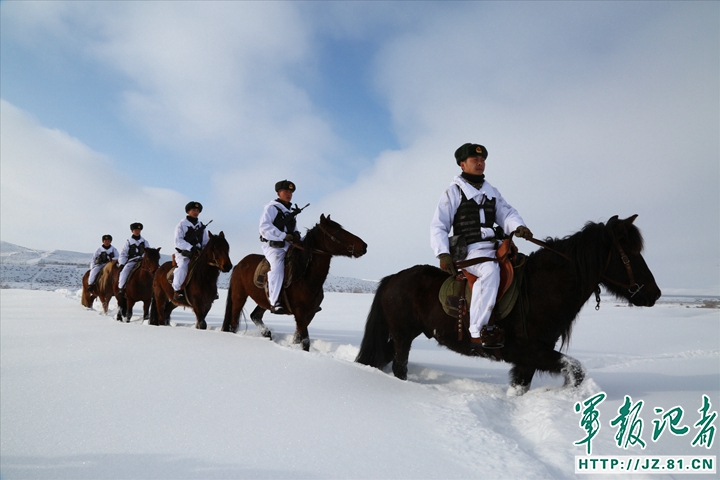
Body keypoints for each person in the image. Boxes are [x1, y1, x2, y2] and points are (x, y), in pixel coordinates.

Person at [430, 143, 533, 348]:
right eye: (475, 160)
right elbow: (439, 225)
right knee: (489, 271)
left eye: (482, 160)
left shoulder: (492, 192)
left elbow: (507, 213)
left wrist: (518, 226)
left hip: (494, 247)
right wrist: (443, 253)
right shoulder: (453, 192)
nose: (480, 163)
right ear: (462, 164)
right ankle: (479, 331)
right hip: (469, 251)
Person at [259, 180, 303, 314]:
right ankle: (274, 302)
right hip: (274, 247)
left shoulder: (290, 211)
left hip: (289, 246)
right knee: (277, 268)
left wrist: (299, 238)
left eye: (291, 192)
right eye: (286, 191)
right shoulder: (271, 208)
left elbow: (294, 230)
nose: (289, 194)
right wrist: (282, 235)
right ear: (279, 193)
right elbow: (264, 227)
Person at [172, 201, 210, 303]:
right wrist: (190, 247)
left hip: (199, 254)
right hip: (184, 253)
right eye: (193, 210)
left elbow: (205, 241)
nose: (196, 212)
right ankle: (177, 290)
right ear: (188, 211)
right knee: (183, 268)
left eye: (197, 210)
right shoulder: (181, 225)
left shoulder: (201, 226)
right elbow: (178, 241)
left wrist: (205, 250)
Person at [117, 222, 150, 294]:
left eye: (139, 230)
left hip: (143, 261)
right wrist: (122, 263)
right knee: (124, 272)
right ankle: (121, 288)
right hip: (132, 261)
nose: (137, 231)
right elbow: (123, 253)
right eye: (136, 230)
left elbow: (148, 252)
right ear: (132, 231)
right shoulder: (128, 242)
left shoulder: (145, 242)